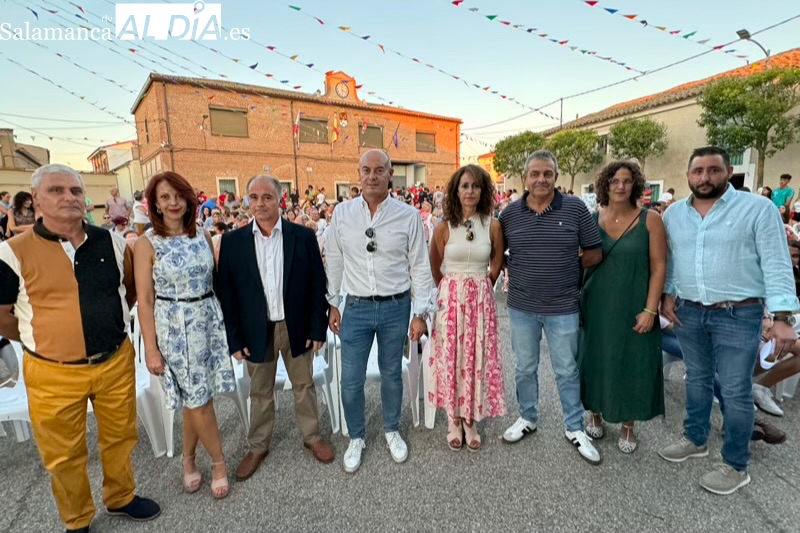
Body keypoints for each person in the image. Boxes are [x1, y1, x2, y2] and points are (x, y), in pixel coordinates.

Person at [0, 164, 160, 533]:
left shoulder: (113, 241)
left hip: (114, 360)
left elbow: (130, 290)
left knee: (120, 436)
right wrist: (38, 336)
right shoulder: (13, 252)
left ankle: (120, 496)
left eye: (75, 191)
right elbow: (1, 314)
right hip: (53, 370)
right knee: (64, 454)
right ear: (36, 199)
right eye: (57, 191)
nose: (69, 198)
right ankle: (77, 519)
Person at [659, 146, 799, 495]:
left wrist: (782, 317)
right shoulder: (674, 214)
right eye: (698, 171)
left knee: (735, 391)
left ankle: (736, 464)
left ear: (728, 172)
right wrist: (668, 294)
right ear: (688, 175)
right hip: (689, 310)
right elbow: (673, 260)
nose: (705, 177)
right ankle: (695, 438)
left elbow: (777, 263)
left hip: (740, 313)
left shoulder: (758, 209)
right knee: (697, 380)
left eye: (713, 170)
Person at [217, 175, 335, 482]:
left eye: (267, 197)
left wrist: (317, 327)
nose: (260, 203)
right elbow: (227, 295)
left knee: (304, 385)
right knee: (259, 391)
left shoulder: (302, 236)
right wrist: (234, 339)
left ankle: (312, 437)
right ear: (246, 201)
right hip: (257, 329)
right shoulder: (233, 242)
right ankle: (258, 445)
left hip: (294, 324)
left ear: (279, 199)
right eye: (254, 197)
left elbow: (316, 284)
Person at [327, 149, 435, 473]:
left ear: (390, 174)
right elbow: (333, 260)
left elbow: (420, 266)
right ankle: (356, 436)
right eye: (366, 170)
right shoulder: (342, 214)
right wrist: (332, 303)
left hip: (395, 307)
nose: (372, 176)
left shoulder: (408, 216)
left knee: (391, 375)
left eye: (379, 170)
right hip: (355, 308)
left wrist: (420, 312)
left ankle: (391, 429)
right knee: (350, 380)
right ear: (358, 174)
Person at [134, 171, 235, 499]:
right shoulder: (147, 243)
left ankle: (188, 459)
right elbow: (145, 299)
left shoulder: (203, 234)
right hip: (174, 327)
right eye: (165, 197)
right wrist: (151, 348)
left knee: (197, 399)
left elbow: (214, 280)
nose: (173, 202)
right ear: (156, 205)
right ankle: (219, 462)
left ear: (188, 198)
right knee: (200, 402)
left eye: (178, 195)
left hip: (207, 320)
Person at [499, 150, 603, 465]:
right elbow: (497, 253)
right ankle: (527, 417)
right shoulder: (509, 215)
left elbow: (594, 253)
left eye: (547, 174)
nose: (541, 179)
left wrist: (568, 265)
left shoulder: (575, 209)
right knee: (524, 367)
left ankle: (574, 426)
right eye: (535, 174)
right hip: (521, 305)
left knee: (567, 369)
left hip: (563, 305)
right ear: (525, 178)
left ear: (555, 177)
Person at [579, 161, 667, 453]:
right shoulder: (591, 218)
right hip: (597, 303)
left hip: (634, 303)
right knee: (596, 358)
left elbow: (659, 267)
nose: (620, 186)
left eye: (627, 181)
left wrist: (651, 309)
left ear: (636, 185)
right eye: (614, 180)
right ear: (605, 185)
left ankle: (628, 424)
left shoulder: (650, 220)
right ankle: (594, 410)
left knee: (633, 361)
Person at [428, 164, 506, 451]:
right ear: (456, 191)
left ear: (483, 190)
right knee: (453, 358)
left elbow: (496, 263)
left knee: (476, 358)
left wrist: (481, 287)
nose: (470, 191)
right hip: (451, 301)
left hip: (481, 300)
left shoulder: (493, 224)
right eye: (465, 186)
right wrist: (452, 289)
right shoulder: (443, 226)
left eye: (475, 186)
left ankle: (471, 418)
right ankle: (453, 418)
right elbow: (435, 265)